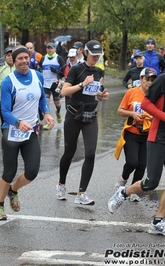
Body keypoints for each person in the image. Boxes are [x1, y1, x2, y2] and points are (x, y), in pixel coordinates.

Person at [108, 49, 165, 237]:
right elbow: (147, 104)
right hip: (158, 137)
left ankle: (157, 222)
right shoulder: (164, 79)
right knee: (151, 182)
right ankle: (123, 193)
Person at [0, 45, 55, 220]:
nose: (24, 61)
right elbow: (4, 111)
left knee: (32, 171)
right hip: (11, 132)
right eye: (20, 58)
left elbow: (41, 97)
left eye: (26, 58)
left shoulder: (37, 76)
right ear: (13, 60)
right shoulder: (8, 82)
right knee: (9, 171)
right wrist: (18, 123)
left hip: (31, 131)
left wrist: (47, 113)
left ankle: (13, 190)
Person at [56, 40, 109, 205]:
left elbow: (94, 92)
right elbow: (64, 92)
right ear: (85, 52)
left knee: (91, 154)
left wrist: (101, 95)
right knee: (69, 152)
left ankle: (81, 193)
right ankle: (61, 183)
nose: (96, 57)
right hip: (74, 115)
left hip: (90, 116)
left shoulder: (99, 72)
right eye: (93, 54)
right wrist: (81, 84)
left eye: (98, 55)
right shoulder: (76, 69)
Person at [113, 67, 156, 202]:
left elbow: (160, 114)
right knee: (132, 162)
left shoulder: (156, 96)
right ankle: (122, 180)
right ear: (141, 79)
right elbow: (120, 111)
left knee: (142, 164)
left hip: (147, 134)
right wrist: (132, 114)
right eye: (147, 79)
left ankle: (133, 189)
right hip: (132, 132)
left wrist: (152, 118)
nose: (149, 83)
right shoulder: (131, 93)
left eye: (152, 80)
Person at [39, 42, 65, 127]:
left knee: (57, 102)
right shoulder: (43, 58)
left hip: (55, 83)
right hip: (46, 84)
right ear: (46, 49)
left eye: (51, 48)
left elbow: (64, 70)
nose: (50, 50)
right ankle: (48, 122)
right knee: (46, 102)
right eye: (48, 48)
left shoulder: (59, 58)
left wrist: (57, 72)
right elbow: (40, 69)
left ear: (54, 49)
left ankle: (58, 112)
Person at [0, 46, 15, 124]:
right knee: (4, 121)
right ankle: (5, 135)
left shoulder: (19, 67)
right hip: (2, 98)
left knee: (16, 120)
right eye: (8, 56)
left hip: (17, 98)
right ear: (5, 57)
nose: (10, 57)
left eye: (12, 55)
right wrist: (3, 83)